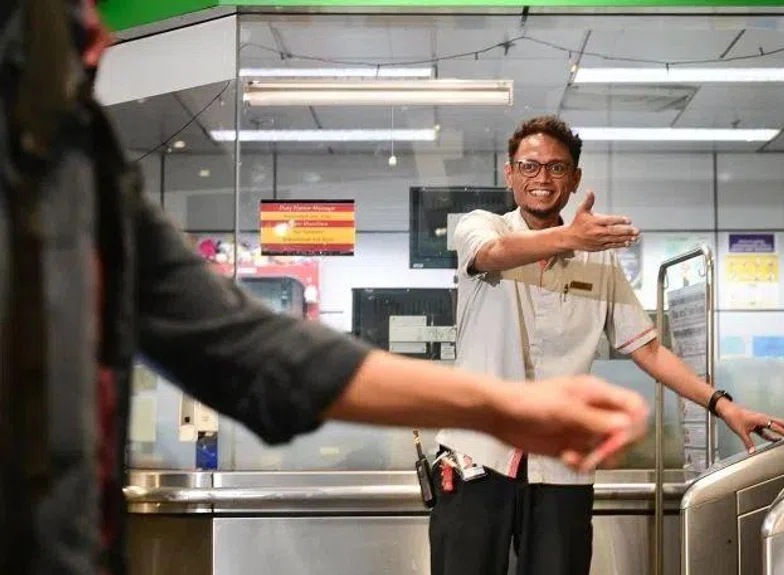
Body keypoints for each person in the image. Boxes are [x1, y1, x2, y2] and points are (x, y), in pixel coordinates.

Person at [0, 4, 652, 575]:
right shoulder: (482, 226)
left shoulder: (87, 184)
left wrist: (497, 409)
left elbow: (260, 351)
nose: (102, 41)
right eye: (68, 21)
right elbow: (489, 252)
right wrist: (497, 406)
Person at [429, 115, 784, 575]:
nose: (542, 178)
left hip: (562, 465)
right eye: (529, 166)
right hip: (476, 458)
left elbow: (647, 348)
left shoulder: (597, 263)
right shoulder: (482, 228)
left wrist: (724, 405)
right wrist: (570, 236)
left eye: (557, 168)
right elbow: (489, 256)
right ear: (509, 173)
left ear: (575, 178)